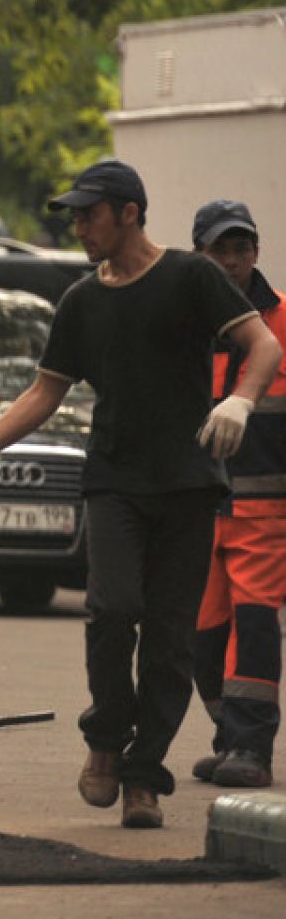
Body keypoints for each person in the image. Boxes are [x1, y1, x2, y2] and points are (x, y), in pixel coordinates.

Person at [0, 161, 282, 829]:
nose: (78, 226)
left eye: (88, 214)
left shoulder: (190, 277)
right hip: (113, 480)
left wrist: (238, 398)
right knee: (112, 610)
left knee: (169, 640)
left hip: (188, 484)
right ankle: (105, 739)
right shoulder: (81, 301)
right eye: (75, 216)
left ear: (128, 213)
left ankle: (144, 775)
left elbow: (260, 344)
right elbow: (44, 392)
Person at [188, 199, 286, 789]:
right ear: (199, 255)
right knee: (201, 636)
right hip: (199, 507)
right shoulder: (184, 327)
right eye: (219, 250)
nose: (232, 261)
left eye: (241, 248)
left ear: (256, 251)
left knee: (252, 626)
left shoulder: (280, 327)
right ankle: (229, 739)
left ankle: (252, 749)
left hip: (263, 508)